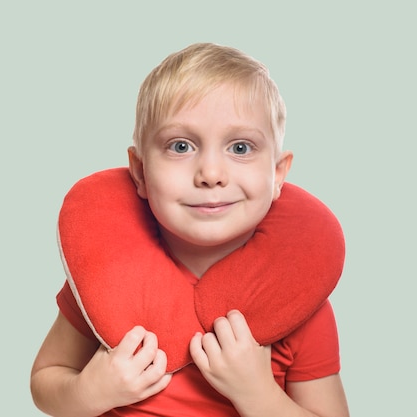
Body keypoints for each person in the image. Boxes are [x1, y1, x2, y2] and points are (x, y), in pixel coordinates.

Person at [31, 43, 349, 416]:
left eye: (241, 147)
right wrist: (90, 392)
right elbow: (45, 379)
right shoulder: (104, 275)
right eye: (180, 146)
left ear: (278, 174)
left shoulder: (296, 296)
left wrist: (257, 394)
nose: (211, 174)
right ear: (140, 171)